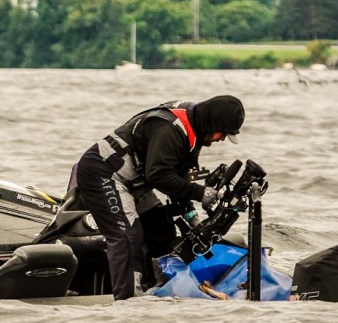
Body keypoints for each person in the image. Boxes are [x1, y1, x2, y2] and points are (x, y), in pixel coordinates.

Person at [72, 95, 245, 300]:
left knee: (161, 229)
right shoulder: (169, 129)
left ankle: (155, 289)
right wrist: (201, 193)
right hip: (104, 173)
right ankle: (128, 302)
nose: (221, 139)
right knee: (128, 236)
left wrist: (190, 213)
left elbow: (179, 175)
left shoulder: (194, 129)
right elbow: (159, 175)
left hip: (135, 181)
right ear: (212, 123)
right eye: (222, 133)